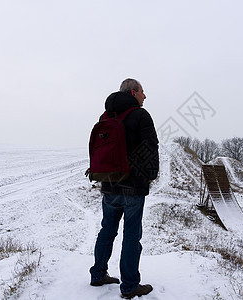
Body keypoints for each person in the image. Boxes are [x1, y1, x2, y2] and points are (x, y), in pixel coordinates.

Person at [89, 78, 159, 299]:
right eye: (142, 91)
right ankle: (129, 286)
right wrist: (151, 175)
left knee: (107, 230)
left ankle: (98, 274)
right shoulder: (140, 115)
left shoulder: (106, 116)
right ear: (132, 92)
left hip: (109, 183)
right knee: (131, 236)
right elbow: (151, 146)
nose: (144, 96)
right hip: (133, 186)